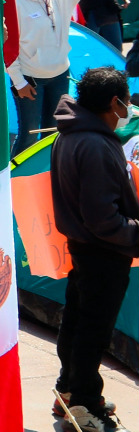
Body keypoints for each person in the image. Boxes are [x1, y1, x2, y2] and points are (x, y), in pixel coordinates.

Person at [51, 67, 139, 432]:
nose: (129, 108)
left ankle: (68, 391)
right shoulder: (96, 144)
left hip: (84, 249)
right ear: (113, 103)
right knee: (93, 331)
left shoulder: (72, 134)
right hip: (104, 252)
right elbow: (104, 219)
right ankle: (84, 403)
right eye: (126, 102)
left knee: (76, 321)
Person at [12, 0, 111, 152]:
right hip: (31, 79)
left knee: (54, 133)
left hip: (59, 75)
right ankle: (16, 180)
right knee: (28, 137)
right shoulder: (14, 4)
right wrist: (19, 82)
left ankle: (48, 176)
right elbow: (6, 46)